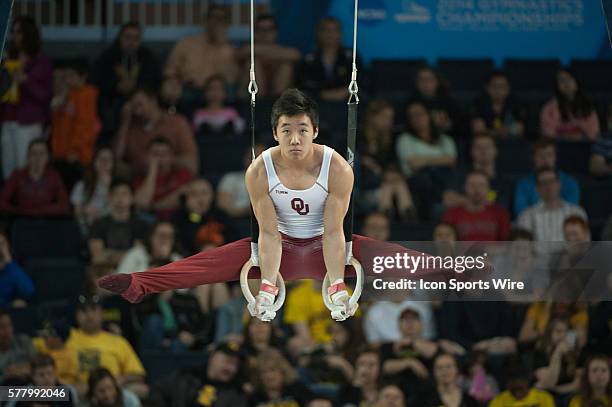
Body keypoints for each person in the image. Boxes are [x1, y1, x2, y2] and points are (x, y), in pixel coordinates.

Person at [97, 89, 450, 322]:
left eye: (301, 130)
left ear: (314, 131)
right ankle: (137, 284)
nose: (294, 139)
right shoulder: (259, 170)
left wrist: (337, 286)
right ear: (275, 132)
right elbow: (267, 231)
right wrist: (267, 284)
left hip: (328, 246)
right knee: (203, 265)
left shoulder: (338, 168)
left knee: (393, 256)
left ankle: (457, 268)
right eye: (286, 131)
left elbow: (332, 231)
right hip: (273, 250)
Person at [0, 16, 53, 180]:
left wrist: (26, 81)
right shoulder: (8, 59)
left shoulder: (41, 62)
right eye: (13, 32)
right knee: (8, 167)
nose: (15, 36)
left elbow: (45, 95)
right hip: (8, 119)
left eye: (19, 32)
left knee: (26, 167)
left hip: (29, 122)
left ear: (28, 34)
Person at [66, 296, 147, 397]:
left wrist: (120, 380)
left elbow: (139, 375)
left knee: (142, 389)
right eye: (84, 311)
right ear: (76, 315)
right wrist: (77, 389)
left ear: (102, 314)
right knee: (44, 393)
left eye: (94, 310)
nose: (90, 316)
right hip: (75, 394)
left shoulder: (118, 341)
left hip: (111, 393)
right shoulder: (63, 338)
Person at [162, 5, 238, 107]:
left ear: (227, 24)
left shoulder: (230, 50)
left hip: (217, 95)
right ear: (206, 20)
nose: (217, 22)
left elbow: (231, 81)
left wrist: (221, 44)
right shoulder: (186, 43)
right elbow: (170, 71)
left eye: (222, 19)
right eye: (214, 17)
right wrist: (173, 81)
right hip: (188, 90)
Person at [93, 21, 161, 134]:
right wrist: (117, 86)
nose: (131, 42)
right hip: (113, 97)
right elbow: (98, 80)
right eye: (128, 37)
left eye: (136, 38)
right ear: (120, 38)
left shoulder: (148, 56)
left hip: (141, 96)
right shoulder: (107, 56)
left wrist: (136, 87)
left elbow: (155, 80)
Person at [113, 87, 198, 177]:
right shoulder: (130, 128)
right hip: (139, 182)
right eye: (133, 107)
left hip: (173, 181)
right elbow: (115, 161)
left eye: (140, 105)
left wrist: (162, 160)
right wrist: (125, 123)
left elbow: (192, 164)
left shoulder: (177, 123)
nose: (137, 112)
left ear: (153, 101)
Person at [396, 101, 457, 218]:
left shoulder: (445, 139)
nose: (416, 119)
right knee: (425, 179)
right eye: (412, 116)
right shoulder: (405, 139)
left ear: (429, 115)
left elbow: (451, 160)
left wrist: (423, 160)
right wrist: (440, 159)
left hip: (443, 178)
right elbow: (413, 164)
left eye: (419, 114)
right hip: (418, 180)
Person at [358, 99, 414, 219]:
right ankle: (392, 217)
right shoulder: (358, 137)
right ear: (372, 117)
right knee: (390, 187)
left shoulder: (390, 140)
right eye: (384, 117)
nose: (388, 121)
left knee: (396, 184)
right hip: (367, 189)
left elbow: (392, 166)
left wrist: (385, 174)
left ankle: (406, 217)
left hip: (386, 184)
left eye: (390, 118)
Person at [50, 58, 101, 188]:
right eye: (66, 76)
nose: (67, 80)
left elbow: (85, 126)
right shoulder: (67, 95)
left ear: (83, 76)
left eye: (71, 76)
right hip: (61, 154)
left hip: (78, 156)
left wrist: (75, 150)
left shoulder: (87, 94)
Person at [149, 341, 247, 407]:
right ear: (212, 357)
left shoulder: (237, 394)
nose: (231, 368)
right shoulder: (186, 376)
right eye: (227, 361)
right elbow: (159, 390)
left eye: (236, 365)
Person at [0, 138, 70, 218]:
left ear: (48, 157)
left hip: (47, 221)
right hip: (21, 219)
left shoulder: (54, 176)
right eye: (34, 153)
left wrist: (38, 211)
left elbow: (64, 206)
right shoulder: (17, 175)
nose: (38, 157)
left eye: (41, 153)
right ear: (28, 157)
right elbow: (2, 202)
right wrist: (20, 211)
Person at [296, 17, 361, 102]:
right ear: (319, 33)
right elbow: (302, 85)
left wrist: (346, 92)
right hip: (315, 104)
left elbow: (361, 81)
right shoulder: (309, 59)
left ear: (340, 33)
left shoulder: (351, 56)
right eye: (326, 30)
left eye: (335, 30)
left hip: (345, 102)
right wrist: (322, 94)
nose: (330, 34)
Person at [88, 180, 148, 268]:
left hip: (132, 272)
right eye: (116, 194)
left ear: (132, 198)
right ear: (109, 197)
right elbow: (97, 257)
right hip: (106, 272)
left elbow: (137, 257)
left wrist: (109, 254)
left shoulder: (140, 225)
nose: (120, 199)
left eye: (124, 194)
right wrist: (127, 255)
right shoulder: (98, 224)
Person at [237, 14, 300, 98]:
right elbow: (242, 52)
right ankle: (261, 102)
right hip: (250, 97)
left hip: (278, 95)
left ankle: (276, 102)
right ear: (255, 32)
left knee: (286, 65)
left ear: (276, 32)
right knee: (253, 63)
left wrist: (263, 52)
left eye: (270, 29)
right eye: (261, 29)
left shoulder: (283, 49)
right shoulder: (247, 48)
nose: (265, 33)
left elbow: (295, 54)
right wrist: (274, 52)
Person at [443, 132, 510, 209]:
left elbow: (502, 207)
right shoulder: (459, 174)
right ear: (471, 151)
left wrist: (466, 200)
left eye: (487, 147)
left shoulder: (503, 180)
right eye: (478, 147)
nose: (483, 151)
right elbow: (448, 199)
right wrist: (477, 202)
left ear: (495, 151)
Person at [514, 139, 581, 216]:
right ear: (533, 158)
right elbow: (521, 214)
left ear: (555, 157)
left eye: (549, 155)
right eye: (540, 156)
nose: (545, 160)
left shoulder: (570, 183)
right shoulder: (523, 185)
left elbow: (571, 212)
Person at [517, 168, 587, 241]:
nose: (548, 186)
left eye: (552, 181)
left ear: (559, 184)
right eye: (543, 183)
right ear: (537, 188)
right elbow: (522, 249)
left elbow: (586, 245)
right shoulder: (526, 216)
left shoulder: (577, 212)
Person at [133, 137, 193, 219]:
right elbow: (142, 204)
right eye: (155, 154)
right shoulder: (140, 179)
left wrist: (154, 207)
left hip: (178, 218)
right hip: (150, 221)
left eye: (164, 153)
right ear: (147, 156)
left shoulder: (182, 174)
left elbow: (183, 197)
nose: (160, 157)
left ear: (171, 156)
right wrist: (153, 169)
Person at [442, 171, 511, 241]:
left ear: (488, 188)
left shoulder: (500, 213)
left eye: (481, 185)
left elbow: (507, 243)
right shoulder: (451, 214)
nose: (477, 189)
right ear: (465, 187)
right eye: (472, 185)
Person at [541, 69, 600, 140]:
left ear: (576, 81)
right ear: (557, 85)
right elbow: (548, 134)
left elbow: (594, 133)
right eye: (561, 80)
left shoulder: (587, 106)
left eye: (569, 79)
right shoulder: (549, 107)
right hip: (558, 146)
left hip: (583, 146)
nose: (566, 83)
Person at [5, 353, 79, 407]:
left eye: (50, 373)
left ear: (55, 374)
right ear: (33, 377)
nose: (46, 378)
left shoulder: (68, 392)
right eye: (41, 375)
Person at [71, 147, 115, 233]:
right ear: (94, 161)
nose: (105, 162)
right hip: (87, 226)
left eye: (109, 159)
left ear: (113, 164)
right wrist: (85, 210)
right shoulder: (81, 185)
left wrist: (108, 186)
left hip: (110, 227)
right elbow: (76, 212)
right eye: (101, 158)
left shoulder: (117, 185)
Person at [249, 348, 314, 406]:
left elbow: (316, 402)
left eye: (272, 370)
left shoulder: (297, 388)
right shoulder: (254, 397)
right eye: (263, 372)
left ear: (283, 371)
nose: (269, 376)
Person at [471, 71, 525, 138]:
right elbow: (478, 129)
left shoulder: (515, 102)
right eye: (494, 86)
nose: (498, 91)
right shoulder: (479, 103)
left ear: (508, 88)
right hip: (487, 141)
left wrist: (490, 131)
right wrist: (500, 132)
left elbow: (520, 129)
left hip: (509, 140)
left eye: (502, 86)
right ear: (487, 88)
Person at [217, 144, 266, 219]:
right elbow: (223, 208)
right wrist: (247, 210)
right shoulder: (231, 178)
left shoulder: (277, 179)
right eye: (253, 157)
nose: (257, 161)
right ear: (245, 158)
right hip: (237, 223)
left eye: (261, 158)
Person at [411, 66, 459, 136]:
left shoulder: (449, 101)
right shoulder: (411, 103)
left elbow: (460, 124)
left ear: (437, 81)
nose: (425, 83)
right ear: (417, 83)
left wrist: (447, 124)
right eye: (422, 80)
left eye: (429, 79)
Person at [489, 360, 555, 407]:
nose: (517, 394)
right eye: (513, 390)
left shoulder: (544, 398)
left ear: (527, 382)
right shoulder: (498, 401)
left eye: (519, 389)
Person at [0, 309, 36, 384]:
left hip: (29, 386)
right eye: (2, 326)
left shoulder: (23, 341)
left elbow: (39, 364)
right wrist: (6, 375)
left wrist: (24, 369)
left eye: (9, 325)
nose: (7, 330)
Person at [0, 232, 34, 307]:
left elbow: (28, 291)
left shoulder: (11, 269)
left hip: (5, 312)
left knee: (20, 304)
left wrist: (9, 261)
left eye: (2, 244)